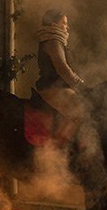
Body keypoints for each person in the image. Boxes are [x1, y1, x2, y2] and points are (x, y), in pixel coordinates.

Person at [33, 9, 90, 150]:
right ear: (53, 24)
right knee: (82, 109)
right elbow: (62, 67)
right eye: (64, 23)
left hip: (58, 86)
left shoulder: (55, 40)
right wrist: (80, 85)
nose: (67, 27)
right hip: (54, 87)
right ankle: (58, 145)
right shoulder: (53, 40)